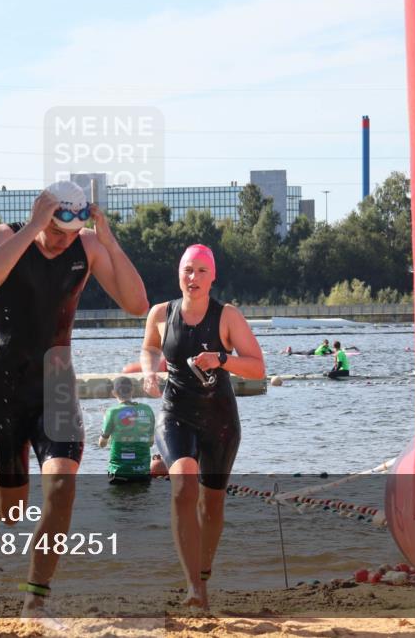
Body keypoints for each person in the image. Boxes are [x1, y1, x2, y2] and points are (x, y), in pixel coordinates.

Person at [0, 180, 148, 625]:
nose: (61, 241)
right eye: (55, 230)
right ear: (42, 214)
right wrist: (32, 227)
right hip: (3, 388)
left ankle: (36, 597)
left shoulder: (86, 248)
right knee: (14, 511)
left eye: (70, 233)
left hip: (56, 384)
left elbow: (136, 303)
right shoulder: (2, 236)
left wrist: (106, 239)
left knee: (63, 487)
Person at [140, 244, 265, 610]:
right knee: (183, 484)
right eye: (187, 270)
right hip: (175, 412)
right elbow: (149, 347)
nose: (192, 278)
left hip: (220, 420)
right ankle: (194, 587)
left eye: (201, 272)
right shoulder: (161, 313)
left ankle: (203, 576)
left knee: (212, 505)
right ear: (179, 274)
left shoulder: (227, 316)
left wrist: (222, 359)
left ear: (213, 277)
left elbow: (258, 367)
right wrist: (150, 372)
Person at [99, 377, 156, 484]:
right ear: (132, 390)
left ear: (114, 393)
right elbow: (151, 443)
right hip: (142, 471)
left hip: (119, 471)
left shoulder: (111, 412)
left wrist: (107, 422)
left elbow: (102, 444)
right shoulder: (147, 409)